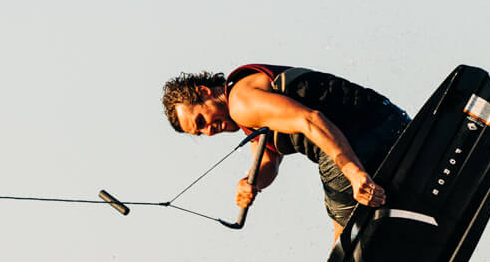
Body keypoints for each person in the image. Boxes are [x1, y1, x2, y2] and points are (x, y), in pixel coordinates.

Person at [162, 65, 411, 239]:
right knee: (346, 219)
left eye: (201, 121)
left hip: (365, 131)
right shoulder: (247, 114)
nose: (208, 132)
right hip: (385, 123)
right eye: (200, 133)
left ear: (205, 93)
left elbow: (311, 120)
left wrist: (355, 175)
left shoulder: (241, 102)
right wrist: (252, 182)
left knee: (345, 233)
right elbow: (269, 162)